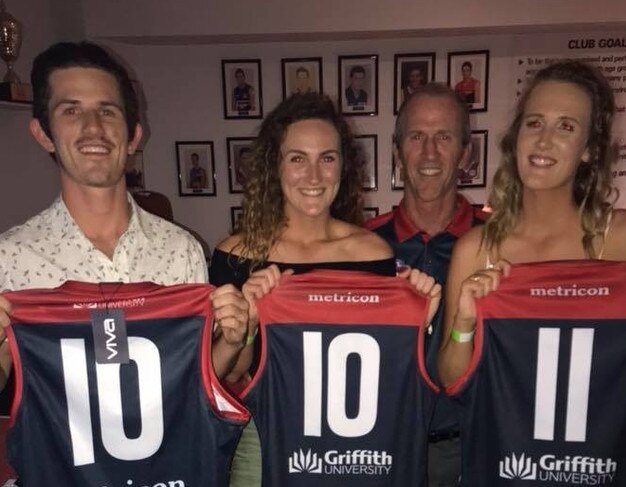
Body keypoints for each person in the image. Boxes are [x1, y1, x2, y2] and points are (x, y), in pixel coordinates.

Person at [209, 92, 439, 486]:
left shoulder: (371, 252)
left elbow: (386, 369)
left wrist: (422, 320)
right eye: (297, 158)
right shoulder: (236, 254)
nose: (314, 177)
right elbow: (225, 375)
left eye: (327, 158)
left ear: (343, 167)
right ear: (273, 167)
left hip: (354, 442)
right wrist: (247, 322)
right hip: (263, 440)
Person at [439, 60, 626, 486]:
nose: (544, 139)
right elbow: (451, 380)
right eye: (534, 122)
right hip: (505, 468)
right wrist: (463, 323)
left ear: (590, 148)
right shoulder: (477, 250)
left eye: (566, 127)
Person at [0, 42, 248, 395]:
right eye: (71, 111)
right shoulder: (9, 259)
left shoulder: (181, 250)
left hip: (171, 452)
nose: (93, 127)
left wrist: (232, 342)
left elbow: (195, 381)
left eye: (107, 111)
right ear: (43, 134)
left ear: (133, 137)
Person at [366, 82, 485, 486]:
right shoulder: (361, 247)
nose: (430, 153)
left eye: (445, 137)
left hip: (477, 447)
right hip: (382, 448)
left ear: (466, 153)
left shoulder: (502, 242)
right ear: (398, 151)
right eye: (417, 137)